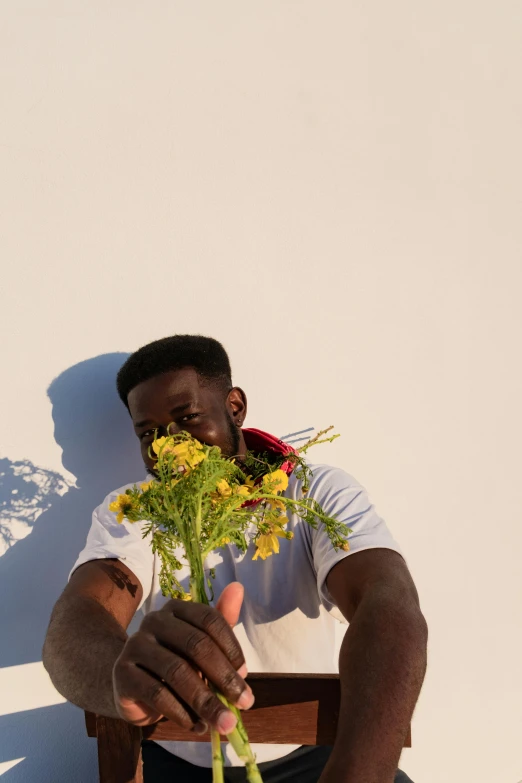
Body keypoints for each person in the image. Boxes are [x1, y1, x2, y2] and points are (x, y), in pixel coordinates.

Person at [43, 335, 427, 782]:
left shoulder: (313, 492)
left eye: (186, 418)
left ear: (235, 407)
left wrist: (358, 773)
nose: (168, 448)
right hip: (179, 761)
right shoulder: (133, 509)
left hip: (314, 757)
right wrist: (119, 675)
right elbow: (76, 621)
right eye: (147, 433)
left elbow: (390, 607)